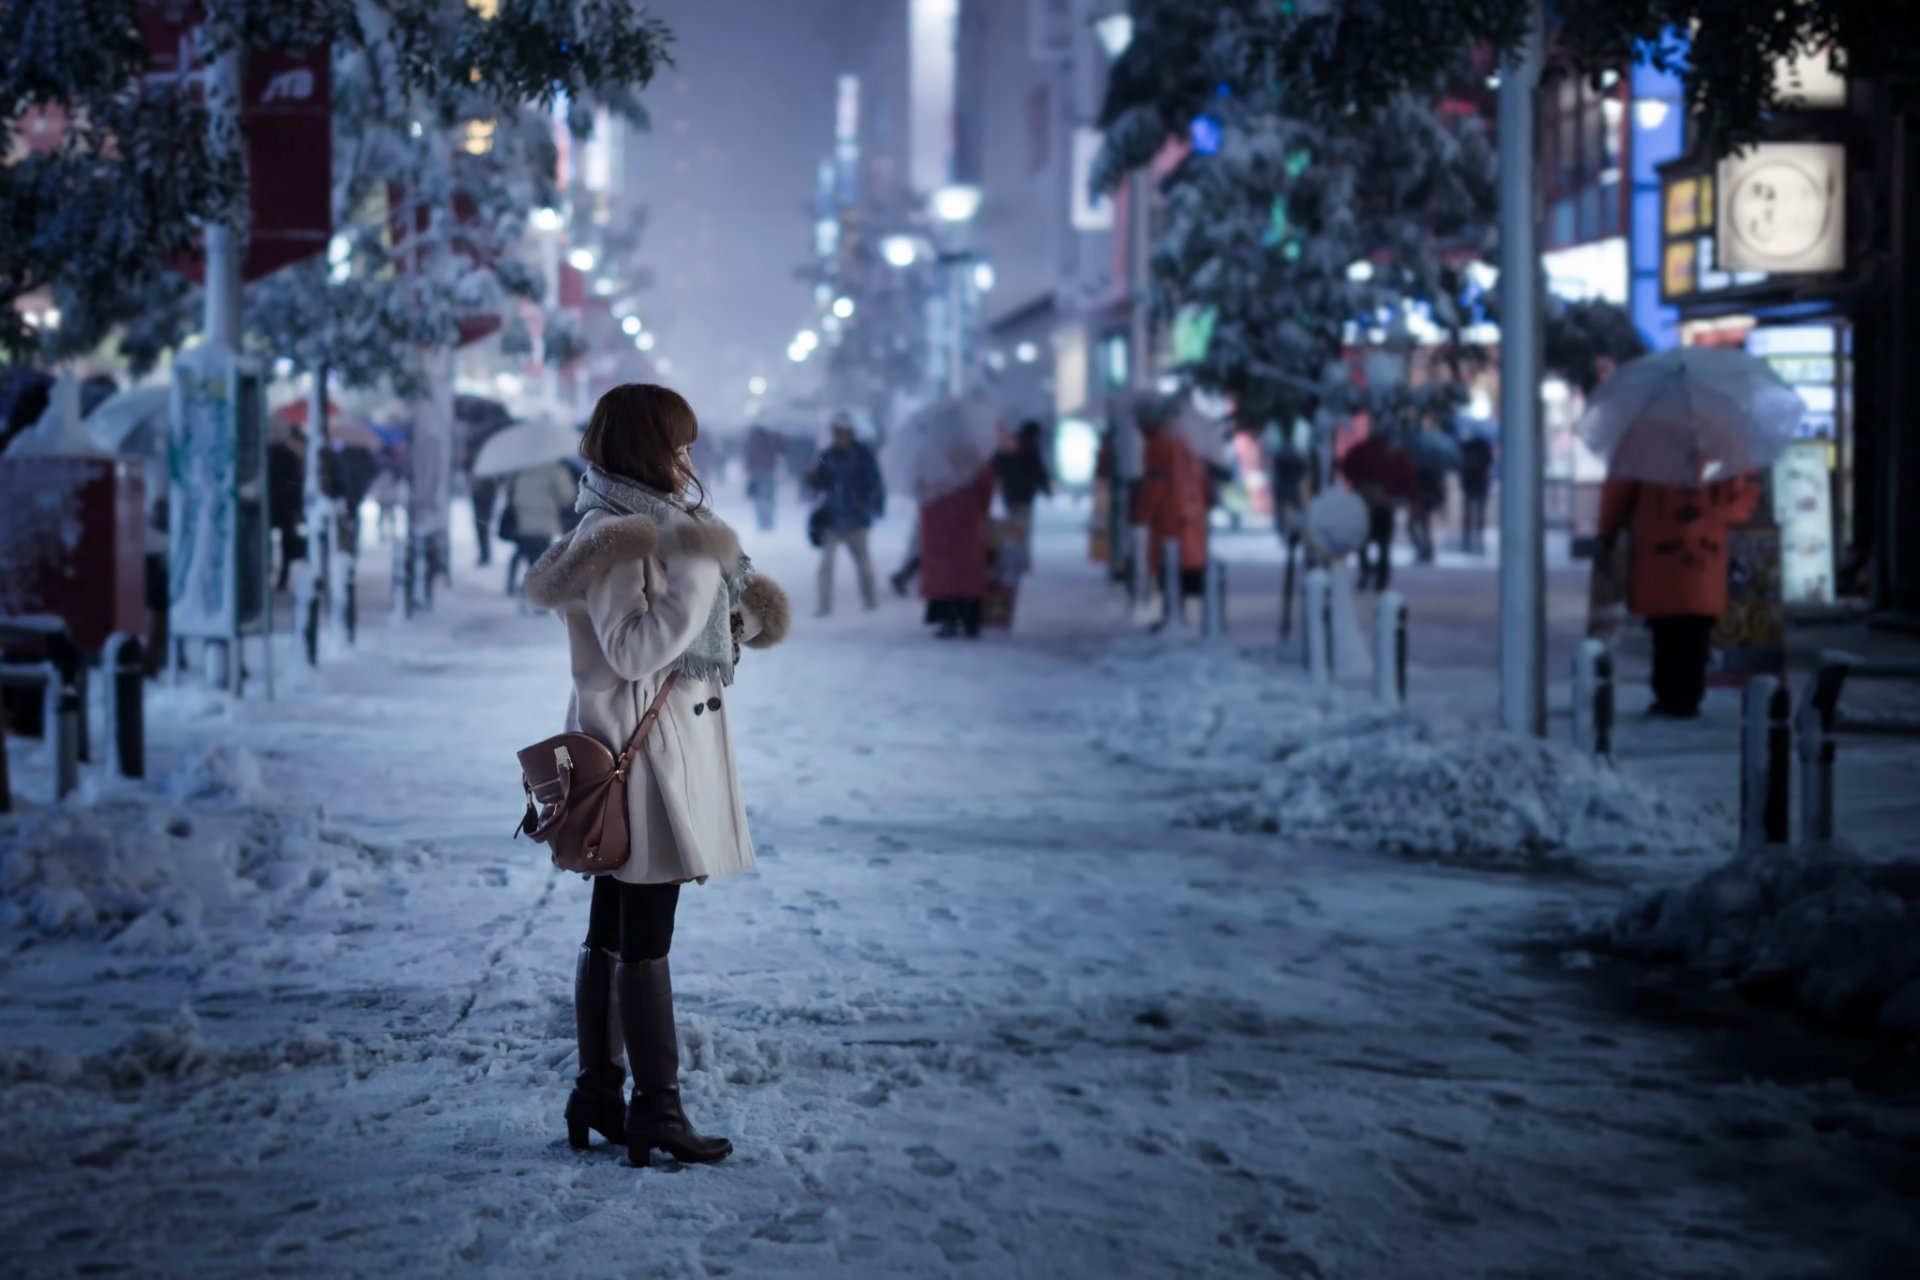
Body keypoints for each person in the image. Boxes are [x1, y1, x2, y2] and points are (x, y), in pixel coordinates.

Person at [521, 382, 791, 1167]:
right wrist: (700, 574)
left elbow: (687, 635)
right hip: (646, 768)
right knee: (644, 935)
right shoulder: (618, 536)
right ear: (646, 448)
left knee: (615, 926)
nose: (687, 459)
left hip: (657, 751)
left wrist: (730, 611)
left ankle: (601, 1091)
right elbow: (634, 651)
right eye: (676, 445)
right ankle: (655, 1108)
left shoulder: (659, 527)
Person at [1596, 473, 1758, 719]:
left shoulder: (1644, 443)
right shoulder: (1723, 442)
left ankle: (1668, 695)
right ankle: (1688, 695)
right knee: (1696, 627)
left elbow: (1618, 488)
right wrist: (1722, 520)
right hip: (1706, 550)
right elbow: (1745, 492)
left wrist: (1607, 530)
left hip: (1658, 549)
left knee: (1666, 628)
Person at [1133, 406, 1210, 628]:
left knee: (1167, 569)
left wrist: (1141, 514)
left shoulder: (1157, 445)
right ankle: (1177, 615)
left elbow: (1155, 485)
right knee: (1181, 568)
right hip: (1189, 516)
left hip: (1168, 518)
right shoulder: (1181, 441)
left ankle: (1172, 617)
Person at [806, 416, 885, 615]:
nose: (839, 436)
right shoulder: (828, 455)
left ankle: (870, 598)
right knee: (826, 565)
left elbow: (874, 482)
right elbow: (818, 484)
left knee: (863, 562)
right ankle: (825, 604)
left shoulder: (863, 455)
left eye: (842, 432)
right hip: (833, 518)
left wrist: (872, 505)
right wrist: (812, 476)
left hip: (856, 518)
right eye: (836, 432)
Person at [920, 444, 997, 639]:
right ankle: (971, 621)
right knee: (968, 572)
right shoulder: (975, 457)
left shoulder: (933, 459)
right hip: (967, 521)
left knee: (946, 574)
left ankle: (949, 619)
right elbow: (987, 487)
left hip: (940, 522)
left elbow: (923, 489)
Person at [502, 458, 577, 598]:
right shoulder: (555, 469)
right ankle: (536, 593)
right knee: (541, 559)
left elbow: (508, 491)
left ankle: (518, 586)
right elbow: (567, 496)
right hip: (544, 522)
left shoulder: (518, 468)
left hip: (522, 521)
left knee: (524, 552)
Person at [993, 419, 1053, 551]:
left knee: (1013, 522)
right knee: (1022, 524)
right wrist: (1045, 487)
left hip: (1010, 491)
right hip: (1025, 492)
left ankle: (1013, 551)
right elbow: (1038, 468)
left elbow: (999, 464)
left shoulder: (1011, 443)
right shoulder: (1031, 445)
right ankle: (1020, 553)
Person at [1459, 433, 1494, 554]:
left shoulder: (1467, 447)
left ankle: (1468, 540)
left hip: (1471, 483)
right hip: (1479, 483)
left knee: (1469, 513)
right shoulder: (1483, 448)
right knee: (1479, 512)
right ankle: (1477, 537)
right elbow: (1490, 462)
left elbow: (1461, 463)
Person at [744, 424, 783, 532]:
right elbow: (779, 450)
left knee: (759, 498)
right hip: (768, 470)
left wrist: (749, 467)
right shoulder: (771, 439)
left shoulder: (753, 440)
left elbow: (749, 455)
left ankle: (762, 521)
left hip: (758, 471)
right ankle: (768, 521)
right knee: (768, 497)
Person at [471, 476, 499, 567]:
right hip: (480, 490)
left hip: (484, 490)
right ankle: (485, 554)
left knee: (482, 525)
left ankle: (485, 554)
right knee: (481, 525)